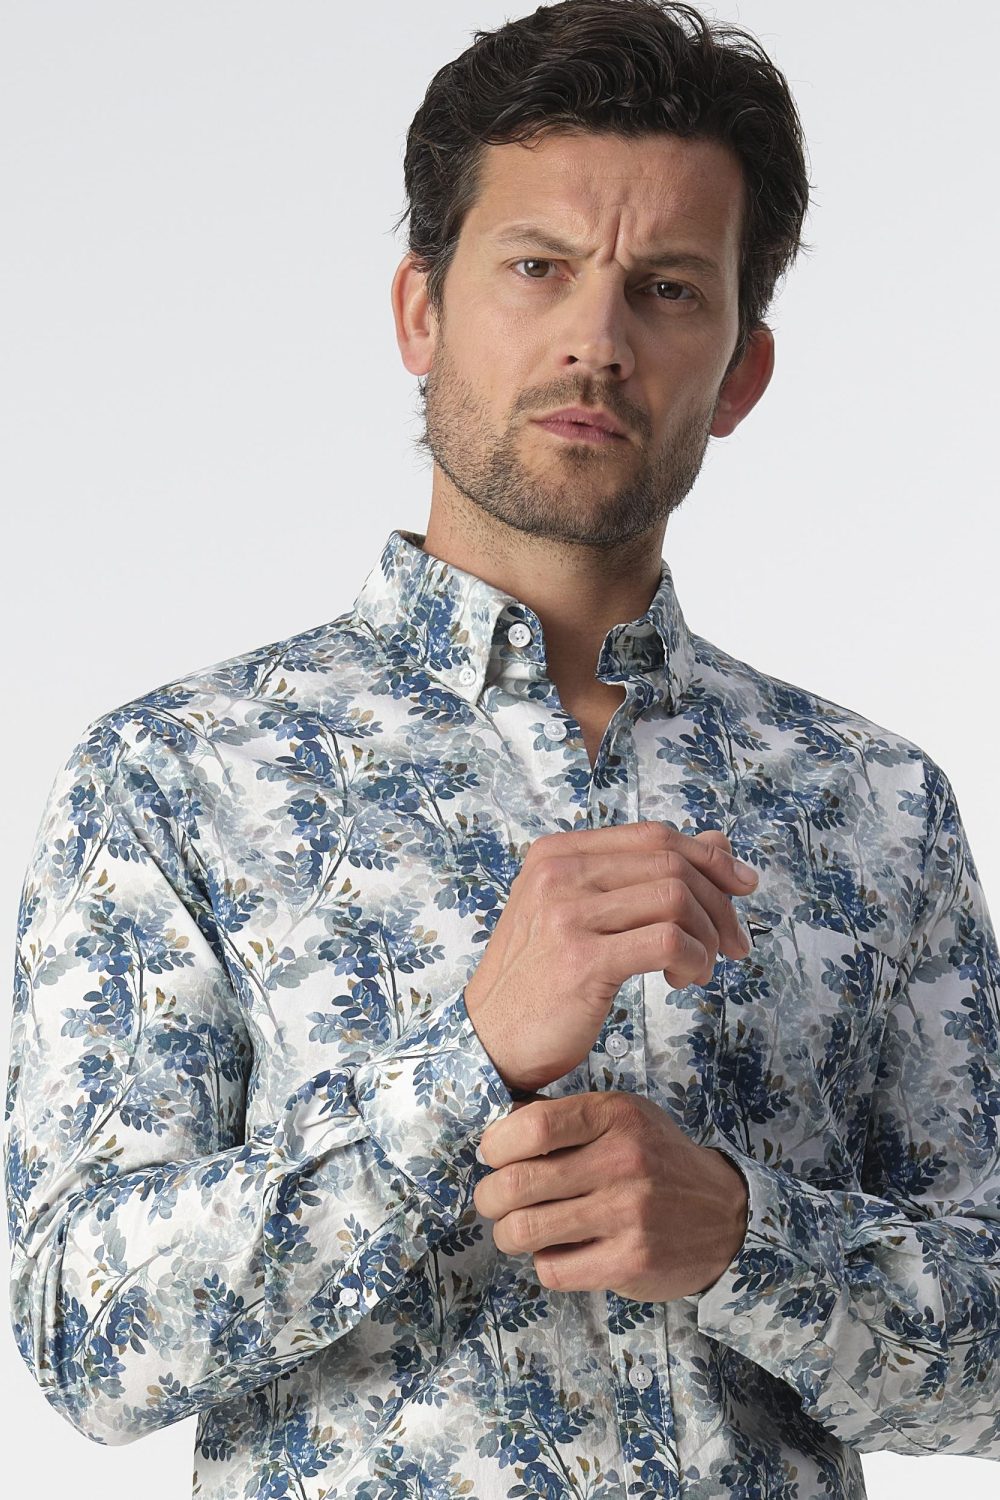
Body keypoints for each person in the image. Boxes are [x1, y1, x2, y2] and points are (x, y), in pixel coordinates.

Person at [6, 1, 999, 1495]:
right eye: (539, 268)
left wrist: (747, 1239)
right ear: (422, 311)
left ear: (741, 370)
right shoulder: (174, 778)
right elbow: (85, 1340)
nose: (596, 340)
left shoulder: (876, 804)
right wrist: (464, 1069)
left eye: (667, 289)